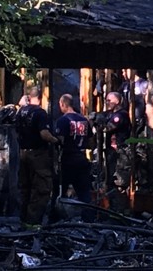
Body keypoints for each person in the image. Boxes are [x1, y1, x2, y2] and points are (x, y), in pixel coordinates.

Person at [17, 87, 59, 226]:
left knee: (25, 187)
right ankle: (33, 223)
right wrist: (56, 140)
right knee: (41, 188)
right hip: (38, 155)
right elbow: (44, 134)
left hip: (23, 153)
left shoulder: (21, 112)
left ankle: (23, 220)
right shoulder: (40, 113)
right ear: (41, 98)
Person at [53, 94, 94, 222]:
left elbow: (60, 140)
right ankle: (89, 220)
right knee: (84, 192)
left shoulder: (63, 120)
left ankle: (54, 219)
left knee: (59, 190)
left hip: (67, 159)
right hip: (81, 158)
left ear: (63, 104)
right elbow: (91, 142)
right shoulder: (84, 120)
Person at [104, 91, 131, 210]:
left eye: (109, 100)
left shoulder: (121, 115)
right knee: (110, 179)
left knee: (120, 181)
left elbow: (108, 128)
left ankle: (121, 209)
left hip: (121, 152)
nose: (107, 103)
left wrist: (99, 123)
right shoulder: (111, 115)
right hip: (113, 152)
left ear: (117, 101)